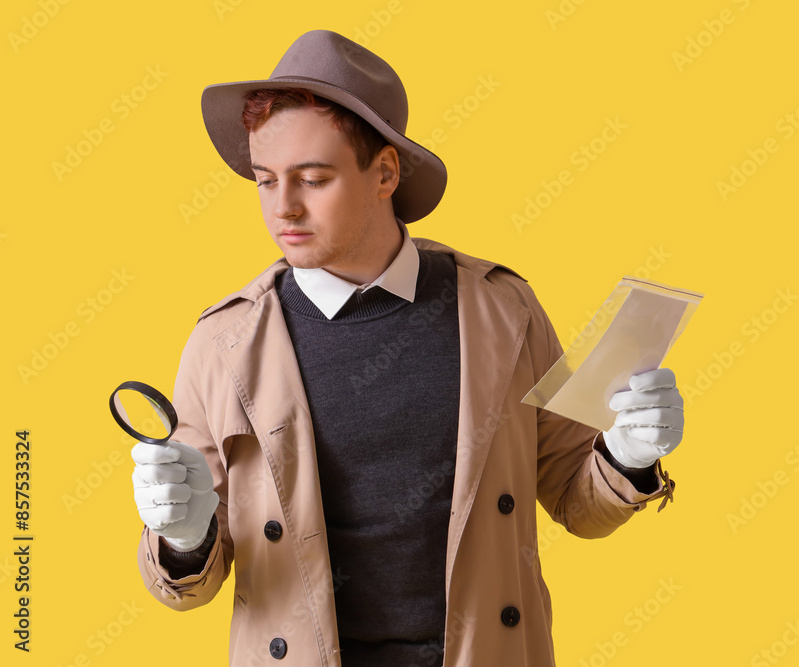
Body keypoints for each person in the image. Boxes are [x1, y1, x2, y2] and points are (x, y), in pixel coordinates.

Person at [130, 29, 681, 667]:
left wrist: (629, 455)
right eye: (265, 181)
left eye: (312, 178)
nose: (283, 207)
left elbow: (575, 499)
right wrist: (182, 536)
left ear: (385, 171)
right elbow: (189, 586)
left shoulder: (502, 309)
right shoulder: (223, 343)